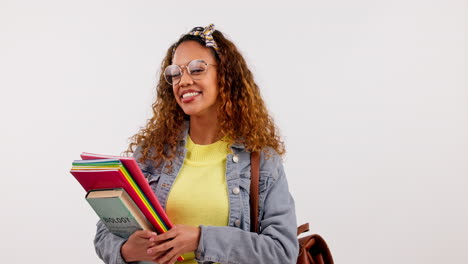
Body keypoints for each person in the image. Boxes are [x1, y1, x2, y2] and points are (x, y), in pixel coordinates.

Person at [94, 24, 299, 264]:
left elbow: (282, 252)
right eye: (176, 73)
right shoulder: (152, 153)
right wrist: (127, 250)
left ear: (225, 75)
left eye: (197, 69)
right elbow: (104, 234)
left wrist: (202, 239)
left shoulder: (262, 160)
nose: (184, 81)